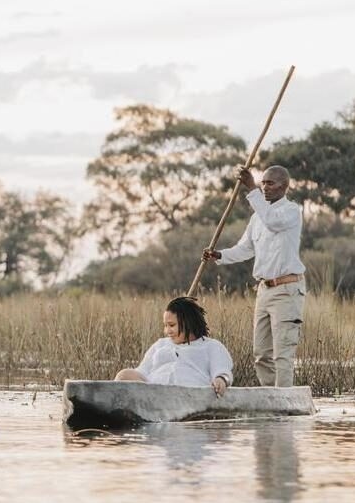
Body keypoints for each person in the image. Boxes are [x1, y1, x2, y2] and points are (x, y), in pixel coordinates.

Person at [202, 165, 305, 388]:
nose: (265, 187)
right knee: (261, 354)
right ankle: (271, 398)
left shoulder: (291, 211)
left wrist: (251, 189)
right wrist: (219, 255)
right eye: (263, 182)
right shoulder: (257, 219)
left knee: (282, 355)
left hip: (287, 290)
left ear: (284, 187)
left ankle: (284, 401)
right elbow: (244, 249)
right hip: (264, 291)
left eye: (271, 183)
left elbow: (273, 222)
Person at [114, 296, 233, 396]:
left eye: (171, 325)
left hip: (189, 393)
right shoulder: (160, 344)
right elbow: (143, 371)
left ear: (188, 323)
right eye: (165, 326)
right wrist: (126, 376)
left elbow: (223, 372)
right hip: (154, 393)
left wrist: (221, 380)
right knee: (124, 374)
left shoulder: (211, 346)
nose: (167, 331)